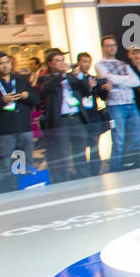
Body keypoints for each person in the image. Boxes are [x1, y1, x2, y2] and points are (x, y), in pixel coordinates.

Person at [0, 52, 39, 191]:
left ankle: (28, 189)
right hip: (4, 130)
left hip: (24, 127)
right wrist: (1, 101)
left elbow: (36, 98)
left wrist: (27, 95)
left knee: (27, 161)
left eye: (7, 62)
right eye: (1, 63)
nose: (5, 66)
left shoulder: (21, 79)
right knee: (5, 164)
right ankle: (6, 192)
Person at [94, 34, 140, 172]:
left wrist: (117, 79)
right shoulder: (100, 64)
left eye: (113, 45)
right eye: (108, 45)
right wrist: (126, 79)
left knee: (135, 137)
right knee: (118, 139)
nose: (112, 48)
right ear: (103, 48)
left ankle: (135, 166)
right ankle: (115, 169)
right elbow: (109, 78)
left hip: (130, 103)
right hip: (115, 105)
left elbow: (137, 82)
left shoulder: (123, 64)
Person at [38, 48, 88, 183]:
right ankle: (63, 179)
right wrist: (61, 75)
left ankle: (83, 176)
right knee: (62, 152)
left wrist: (79, 76)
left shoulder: (71, 76)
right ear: (50, 64)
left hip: (76, 116)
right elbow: (46, 89)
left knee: (80, 149)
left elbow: (85, 90)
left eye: (62, 60)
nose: (61, 63)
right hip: (61, 120)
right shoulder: (45, 77)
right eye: (57, 61)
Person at [69, 53, 104, 178]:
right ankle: (82, 172)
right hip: (80, 116)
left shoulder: (92, 78)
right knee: (80, 146)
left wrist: (100, 87)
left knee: (95, 144)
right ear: (78, 62)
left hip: (93, 115)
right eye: (84, 61)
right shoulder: (73, 79)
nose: (87, 65)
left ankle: (95, 171)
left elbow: (100, 96)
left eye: (89, 62)